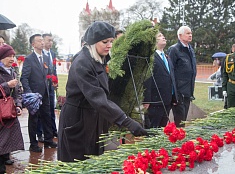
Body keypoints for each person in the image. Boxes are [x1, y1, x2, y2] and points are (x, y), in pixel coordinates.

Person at [57, 21, 147, 162]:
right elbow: (97, 98)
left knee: (93, 158)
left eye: (111, 41)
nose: (110, 45)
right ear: (93, 42)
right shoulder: (82, 62)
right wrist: (126, 121)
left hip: (93, 117)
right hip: (78, 118)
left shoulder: (99, 58)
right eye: (105, 42)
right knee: (77, 162)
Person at [20, 34, 57, 153]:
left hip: (45, 94)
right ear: (33, 44)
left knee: (47, 117)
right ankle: (33, 144)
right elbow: (24, 78)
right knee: (34, 120)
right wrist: (30, 94)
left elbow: (47, 74)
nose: (42, 42)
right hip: (34, 95)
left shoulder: (45, 58)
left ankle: (48, 140)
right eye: (39, 41)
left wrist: (52, 81)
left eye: (42, 40)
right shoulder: (29, 59)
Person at [143, 32, 178, 128]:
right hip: (155, 101)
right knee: (153, 128)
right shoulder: (151, 57)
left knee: (162, 128)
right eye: (159, 36)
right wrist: (146, 100)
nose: (163, 37)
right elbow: (147, 78)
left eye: (163, 35)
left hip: (167, 100)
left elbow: (172, 77)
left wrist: (174, 96)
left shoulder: (166, 57)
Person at [0, 44, 24, 173]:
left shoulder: (13, 71)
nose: (12, 59)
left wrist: (19, 105)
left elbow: (17, 92)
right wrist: (6, 85)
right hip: (1, 114)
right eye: (9, 56)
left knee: (6, 144)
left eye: (13, 56)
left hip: (9, 113)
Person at [167, 26, 197, 127]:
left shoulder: (190, 49)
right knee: (179, 119)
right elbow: (171, 71)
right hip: (179, 91)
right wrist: (175, 93)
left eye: (191, 33)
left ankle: (180, 136)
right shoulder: (174, 49)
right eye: (187, 33)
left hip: (188, 91)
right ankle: (177, 138)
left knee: (183, 119)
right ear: (180, 35)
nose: (190, 35)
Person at [36, 34, 58, 143]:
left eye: (52, 41)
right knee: (41, 110)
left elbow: (54, 70)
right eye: (48, 40)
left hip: (50, 86)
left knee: (51, 109)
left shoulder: (52, 54)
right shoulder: (40, 55)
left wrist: (55, 81)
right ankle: (40, 133)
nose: (50, 43)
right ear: (43, 41)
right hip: (42, 86)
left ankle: (53, 130)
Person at [221, 44, 235, 109]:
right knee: (230, 107)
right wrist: (224, 89)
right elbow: (224, 75)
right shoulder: (228, 59)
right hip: (231, 86)